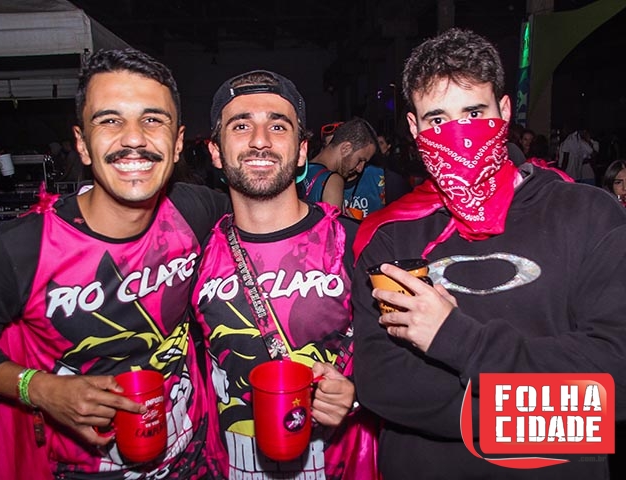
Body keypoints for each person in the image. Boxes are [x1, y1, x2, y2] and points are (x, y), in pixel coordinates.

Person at [351, 28, 626, 480]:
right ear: (415, 129)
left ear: (504, 110)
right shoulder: (391, 236)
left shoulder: (588, 215)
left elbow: (615, 376)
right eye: (437, 119)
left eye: (474, 112)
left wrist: (457, 339)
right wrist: (558, 414)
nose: (457, 134)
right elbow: (382, 382)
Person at [0, 48, 230, 479]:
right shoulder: (22, 247)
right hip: (79, 469)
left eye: (152, 120)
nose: (134, 138)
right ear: (82, 144)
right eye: (110, 121)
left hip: (193, 461)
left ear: (177, 143)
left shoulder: (196, 211)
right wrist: (38, 388)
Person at [193, 69, 378, 479]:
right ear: (216, 152)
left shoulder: (354, 243)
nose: (260, 140)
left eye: (278, 126)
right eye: (241, 126)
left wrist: (358, 394)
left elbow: (401, 358)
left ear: (300, 151)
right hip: (233, 465)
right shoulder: (195, 256)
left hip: (338, 464)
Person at [301, 117, 378, 211]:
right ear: (346, 148)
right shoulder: (333, 180)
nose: (360, 169)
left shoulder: (301, 169)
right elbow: (331, 221)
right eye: (360, 160)